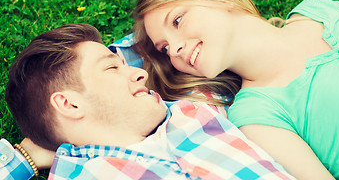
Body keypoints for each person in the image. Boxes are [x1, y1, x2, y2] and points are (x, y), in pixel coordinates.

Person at [133, 0, 339, 179]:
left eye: (177, 20)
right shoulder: (257, 116)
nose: (174, 50)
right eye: (164, 48)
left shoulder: (318, 12)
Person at [1, 23, 293, 179]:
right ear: (69, 104)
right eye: (112, 67)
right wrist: (24, 158)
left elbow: (186, 40)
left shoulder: (194, 110)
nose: (140, 73)